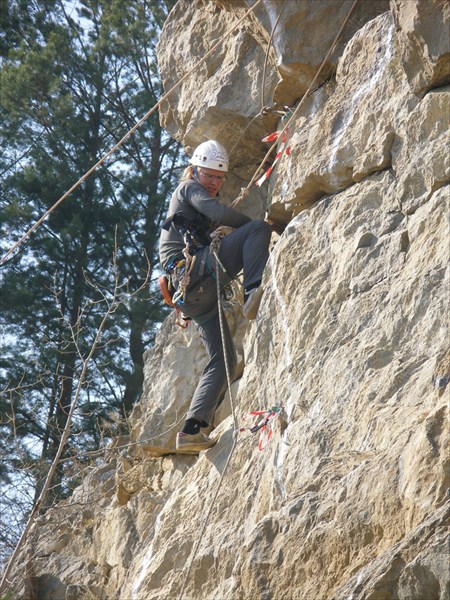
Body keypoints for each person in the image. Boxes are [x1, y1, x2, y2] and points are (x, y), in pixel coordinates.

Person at [159, 140, 272, 453]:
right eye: (208, 175)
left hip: (194, 296)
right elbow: (216, 209)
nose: (213, 182)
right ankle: (253, 289)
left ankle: (191, 429)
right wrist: (252, 230)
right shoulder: (187, 189)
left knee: (224, 359)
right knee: (258, 229)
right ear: (195, 170)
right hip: (195, 276)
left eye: (218, 178)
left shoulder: (194, 202)